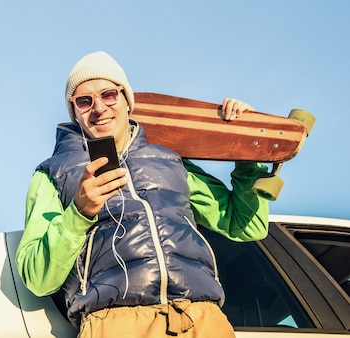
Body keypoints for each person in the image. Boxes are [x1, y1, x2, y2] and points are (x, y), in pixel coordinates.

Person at [15, 51, 269, 338]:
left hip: (201, 319)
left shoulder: (171, 162)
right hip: (114, 324)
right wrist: (79, 213)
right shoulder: (53, 174)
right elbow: (37, 278)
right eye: (84, 101)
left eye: (109, 94)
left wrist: (248, 150)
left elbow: (246, 226)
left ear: (127, 101)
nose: (98, 108)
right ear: (74, 112)